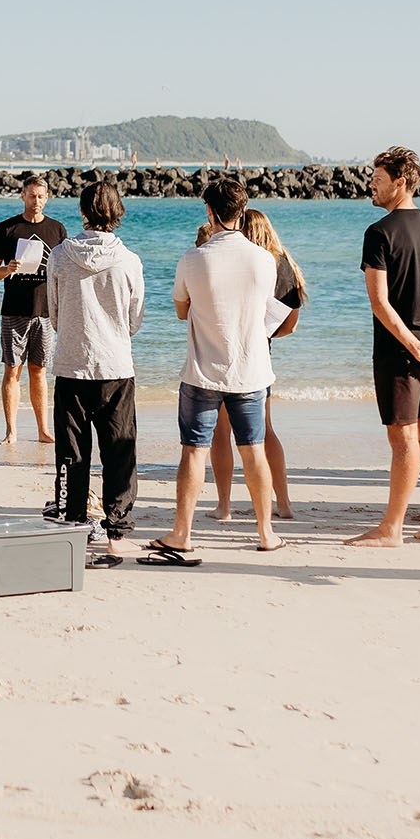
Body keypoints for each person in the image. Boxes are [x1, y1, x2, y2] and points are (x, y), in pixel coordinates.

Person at [154, 179, 282, 562]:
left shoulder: (193, 259)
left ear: (209, 212)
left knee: (193, 453)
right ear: (241, 212)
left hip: (202, 371)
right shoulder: (264, 259)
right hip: (251, 370)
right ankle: (265, 532)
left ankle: (182, 533)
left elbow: (180, 310)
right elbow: (261, 308)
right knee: (253, 451)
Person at [347, 146, 420, 548]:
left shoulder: (378, 232)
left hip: (401, 350)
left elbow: (380, 302)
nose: (371, 187)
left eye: (377, 180)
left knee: (405, 440)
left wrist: (413, 345)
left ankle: (391, 528)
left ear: (400, 182)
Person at [45, 180, 145, 563]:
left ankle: (73, 523)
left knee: (71, 452)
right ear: (117, 213)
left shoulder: (59, 256)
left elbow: (54, 314)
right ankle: (117, 530)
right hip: (116, 364)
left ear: (83, 212)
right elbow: (134, 319)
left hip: (72, 362)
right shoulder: (130, 260)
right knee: (119, 450)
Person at [203, 209, 304, 524]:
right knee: (264, 430)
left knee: (222, 431)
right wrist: (262, 334)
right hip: (261, 356)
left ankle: (223, 505)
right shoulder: (284, 265)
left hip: (225, 353)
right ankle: (284, 504)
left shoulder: (245, 260)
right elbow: (290, 325)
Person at [0, 175, 67, 444]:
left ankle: (43, 430)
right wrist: (7, 269)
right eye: (31, 196)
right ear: (22, 196)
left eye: (41, 196)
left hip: (45, 312)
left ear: (47, 198)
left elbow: (63, 272)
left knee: (40, 370)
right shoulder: (6, 229)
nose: (36, 201)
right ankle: (11, 431)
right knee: (12, 370)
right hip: (14, 310)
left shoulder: (57, 230)